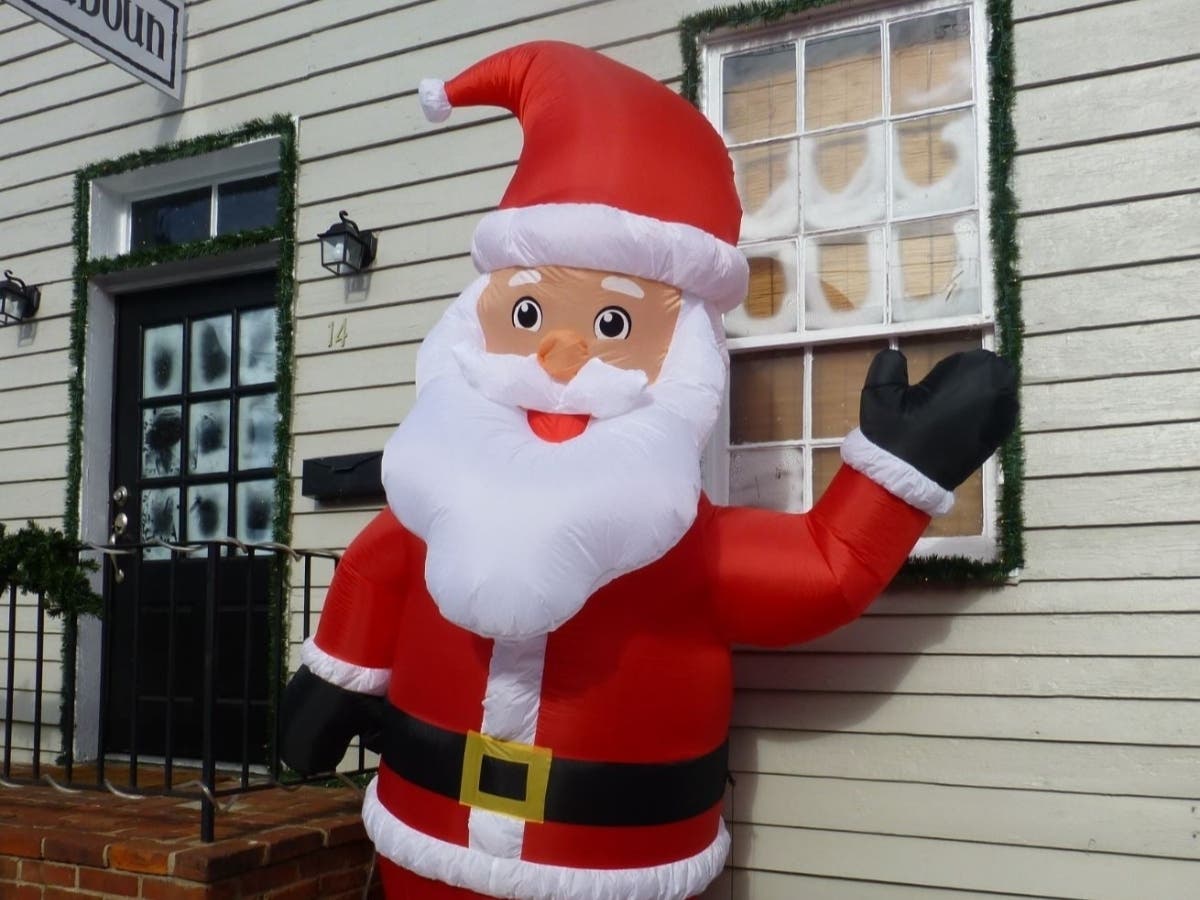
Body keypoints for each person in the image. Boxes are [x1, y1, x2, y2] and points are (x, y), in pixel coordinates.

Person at [280, 41, 1017, 900]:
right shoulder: (433, 504)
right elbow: (375, 570)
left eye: (613, 325)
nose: (559, 350)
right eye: (528, 312)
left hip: (612, 864)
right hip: (421, 839)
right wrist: (330, 679)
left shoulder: (687, 547)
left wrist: (894, 472)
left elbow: (823, 571)